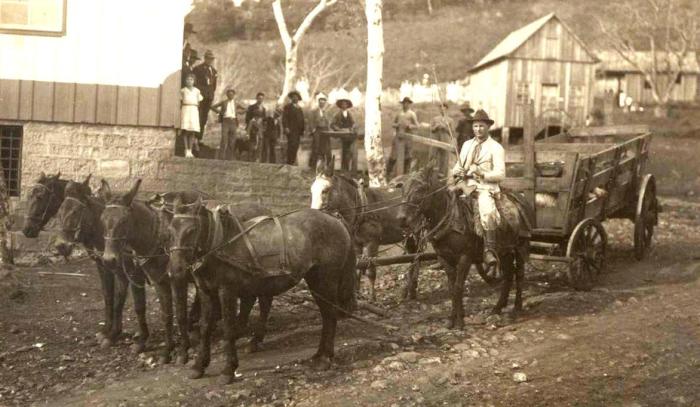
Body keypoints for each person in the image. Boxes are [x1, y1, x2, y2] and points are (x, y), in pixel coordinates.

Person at [448, 109, 505, 268]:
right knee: (445, 202)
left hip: (486, 186)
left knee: (487, 210)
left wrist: (482, 173)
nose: (478, 129)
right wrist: (457, 171)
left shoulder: (496, 148)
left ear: (488, 127)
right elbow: (458, 166)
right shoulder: (467, 145)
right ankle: (447, 246)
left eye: (481, 126)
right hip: (465, 185)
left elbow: (501, 174)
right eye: (475, 126)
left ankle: (490, 249)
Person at [387, 97, 419, 177]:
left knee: (408, 155)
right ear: (402, 104)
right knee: (393, 155)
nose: (406, 105)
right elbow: (392, 124)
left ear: (409, 104)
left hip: (407, 137)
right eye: (404, 103)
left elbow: (417, 125)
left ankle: (405, 174)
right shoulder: (399, 114)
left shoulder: (412, 114)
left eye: (407, 103)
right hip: (398, 137)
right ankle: (389, 172)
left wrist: (410, 126)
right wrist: (397, 125)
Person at [210, 87, 243, 160]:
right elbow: (212, 107)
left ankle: (230, 157)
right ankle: (221, 157)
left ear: (234, 95)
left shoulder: (236, 103)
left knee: (232, 140)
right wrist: (220, 112)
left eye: (232, 94)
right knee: (224, 139)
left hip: (233, 121)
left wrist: (239, 112)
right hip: (225, 121)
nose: (230, 96)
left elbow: (245, 109)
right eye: (229, 94)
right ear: (227, 95)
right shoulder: (224, 102)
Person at [193, 50, 218, 145]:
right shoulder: (198, 69)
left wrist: (210, 94)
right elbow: (196, 83)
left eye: (212, 59)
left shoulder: (214, 71)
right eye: (208, 58)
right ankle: (194, 138)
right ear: (205, 58)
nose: (210, 60)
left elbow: (214, 86)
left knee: (204, 118)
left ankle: (199, 139)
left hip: (209, 97)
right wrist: (201, 93)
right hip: (200, 97)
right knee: (198, 117)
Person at [179, 73, 203, 158]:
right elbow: (181, 102)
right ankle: (186, 150)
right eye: (188, 80)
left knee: (192, 131)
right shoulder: (183, 90)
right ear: (185, 81)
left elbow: (199, 103)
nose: (189, 81)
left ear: (194, 81)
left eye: (191, 80)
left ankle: (190, 150)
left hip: (193, 110)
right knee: (185, 130)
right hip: (186, 109)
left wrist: (195, 107)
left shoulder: (197, 91)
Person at [331, 97, 356, 171]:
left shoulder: (349, 114)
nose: (344, 105)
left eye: (346, 104)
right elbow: (332, 124)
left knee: (349, 151)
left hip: (348, 134)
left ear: (347, 105)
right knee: (343, 150)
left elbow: (353, 123)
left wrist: (352, 128)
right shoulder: (337, 114)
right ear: (341, 105)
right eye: (343, 104)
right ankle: (343, 168)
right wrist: (339, 129)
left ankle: (347, 167)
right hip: (341, 134)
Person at [308, 92, 331, 168]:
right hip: (317, 130)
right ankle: (312, 165)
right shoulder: (314, 111)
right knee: (316, 147)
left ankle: (324, 166)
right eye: (321, 102)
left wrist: (328, 129)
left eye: (324, 102)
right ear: (318, 102)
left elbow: (327, 122)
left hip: (325, 131)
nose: (322, 104)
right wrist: (313, 130)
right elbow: (311, 121)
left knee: (325, 147)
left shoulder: (326, 112)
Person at [282, 90, 305, 165]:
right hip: (291, 130)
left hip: (298, 131)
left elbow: (302, 119)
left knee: (296, 146)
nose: (295, 98)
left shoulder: (299, 108)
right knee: (291, 146)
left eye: (296, 97)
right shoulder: (288, 107)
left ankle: (293, 162)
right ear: (291, 98)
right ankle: (289, 163)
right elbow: (284, 118)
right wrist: (286, 127)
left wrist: (303, 129)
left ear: (298, 99)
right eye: (293, 97)